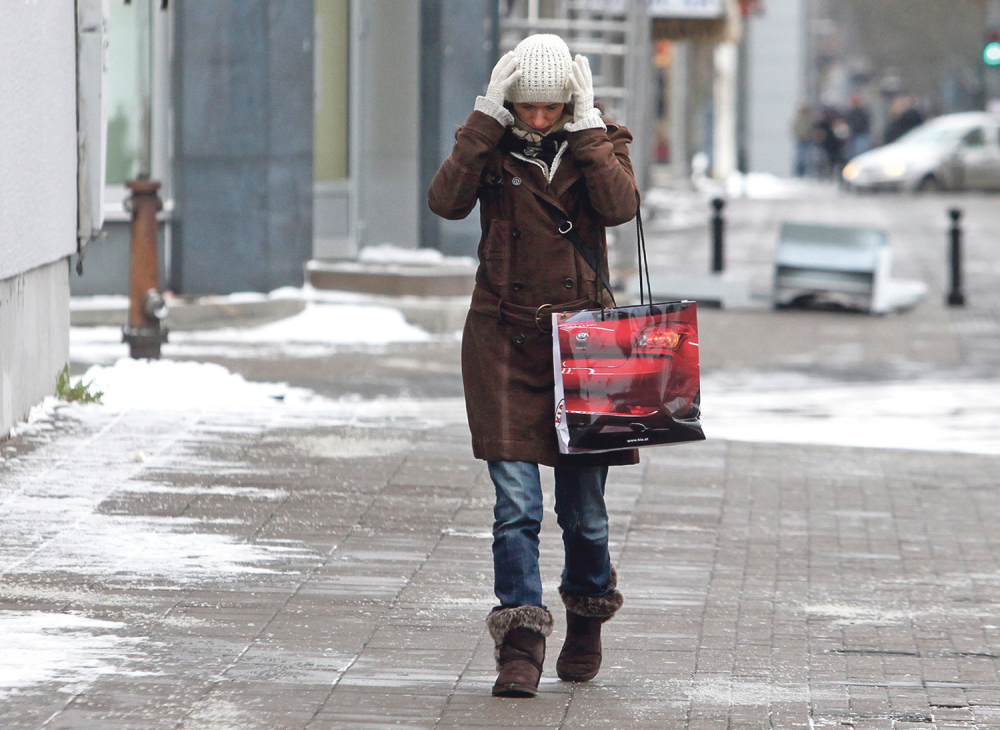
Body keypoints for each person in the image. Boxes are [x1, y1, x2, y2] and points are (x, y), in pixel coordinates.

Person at [428, 34, 637, 698]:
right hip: (503, 341)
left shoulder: (599, 141)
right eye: (528, 107)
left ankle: (586, 614)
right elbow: (445, 201)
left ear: (569, 101)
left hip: (583, 348)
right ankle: (520, 641)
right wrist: (485, 119)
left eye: (551, 108)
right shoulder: (492, 146)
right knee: (515, 505)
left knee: (585, 514)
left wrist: (587, 132)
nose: (539, 119)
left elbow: (619, 208)